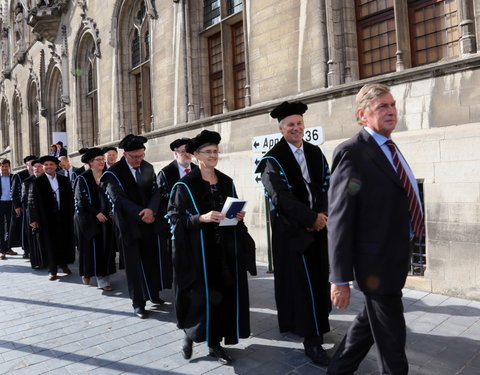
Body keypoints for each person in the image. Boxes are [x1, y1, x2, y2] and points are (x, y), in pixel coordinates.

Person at [327, 83, 424, 375]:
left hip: (395, 255)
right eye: (383, 106)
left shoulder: (389, 147)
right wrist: (339, 278)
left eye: (392, 104)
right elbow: (340, 219)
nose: (392, 111)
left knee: (368, 326)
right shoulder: (352, 152)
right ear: (363, 115)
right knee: (393, 341)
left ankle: (337, 371)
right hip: (374, 264)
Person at [167, 130, 255, 364]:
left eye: (215, 151)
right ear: (196, 155)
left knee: (223, 298)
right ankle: (190, 334)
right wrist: (200, 219)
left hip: (225, 251)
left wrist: (238, 215)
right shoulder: (184, 186)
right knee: (201, 301)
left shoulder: (226, 181)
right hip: (199, 254)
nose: (213, 155)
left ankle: (214, 343)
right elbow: (174, 219)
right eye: (208, 152)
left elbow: (232, 212)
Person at [255, 101, 331, 365]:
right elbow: (281, 197)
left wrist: (322, 216)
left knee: (319, 280)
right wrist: (310, 219)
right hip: (292, 232)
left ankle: (306, 323)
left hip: (318, 227)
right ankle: (313, 340)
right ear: (281, 128)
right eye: (290, 125)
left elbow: (326, 186)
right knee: (303, 285)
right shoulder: (272, 160)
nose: (296, 128)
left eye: (299, 123)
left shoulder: (315, 152)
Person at [101, 134, 165, 318]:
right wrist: (141, 213)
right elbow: (118, 199)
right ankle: (138, 302)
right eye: (135, 157)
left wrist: (151, 210)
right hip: (129, 225)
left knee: (151, 259)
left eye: (141, 156)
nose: (139, 160)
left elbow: (156, 191)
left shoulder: (147, 167)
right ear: (125, 154)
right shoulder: (113, 173)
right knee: (134, 265)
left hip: (149, 222)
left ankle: (153, 293)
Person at [156, 137, 197, 290]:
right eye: (182, 152)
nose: (186, 154)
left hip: (195, 221)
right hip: (175, 223)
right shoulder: (165, 173)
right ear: (175, 154)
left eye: (188, 151)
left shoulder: (197, 169)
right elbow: (162, 199)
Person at [74, 148, 116, 291]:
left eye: (102, 159)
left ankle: (102, 278)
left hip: (106, 218)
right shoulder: (82, 178)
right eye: (98, 160)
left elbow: (114, 195)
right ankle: (86, 272)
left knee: (104, 248)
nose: (102, 162)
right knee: (90, 249)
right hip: (88, 219)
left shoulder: (108, 176)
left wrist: (111, 210)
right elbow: (81, 200)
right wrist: (96, 213)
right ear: (91, 163)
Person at [28, 155, 75, 280]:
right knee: (50, 243)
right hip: (46, 217)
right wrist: (33, 219)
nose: (49, 167)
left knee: (64, 241)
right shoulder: (38, 181)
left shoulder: (64, 180)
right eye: (46, 165)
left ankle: (64, 265)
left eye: (51, 165)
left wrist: (71, 213)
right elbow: (31, 201)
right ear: (43, 167)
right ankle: (52, 269)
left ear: (56, 166)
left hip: (63, 216)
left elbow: (70, 198)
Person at [9, 155, 37, 258]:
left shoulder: (37, 174)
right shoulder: (19, 175)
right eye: (30, 162)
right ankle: (26, 249)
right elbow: (14, 192)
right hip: (23, 207)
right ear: (26, 164)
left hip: (34, 206)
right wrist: (17, 206)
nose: (32, 164)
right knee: (24, 229)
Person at [22, 159, 46, 269]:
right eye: (35, 167)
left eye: (39, 166)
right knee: (34, 239)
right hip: (32, 214)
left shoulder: (47, 180)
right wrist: (31, 217)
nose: (37, 169)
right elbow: (25, 199)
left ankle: (47, 261)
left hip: (45, 214)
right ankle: (37, 262)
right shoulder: (27, 181)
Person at [0, 159, 15, 260]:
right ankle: (2, 250)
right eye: (2, 166)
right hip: (0, 204)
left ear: (9, 166)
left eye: (6, 166)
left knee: (10, 226)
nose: (4, 168)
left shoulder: (13, 177)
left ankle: (8, 248)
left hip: (10, 204)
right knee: (1, 227)